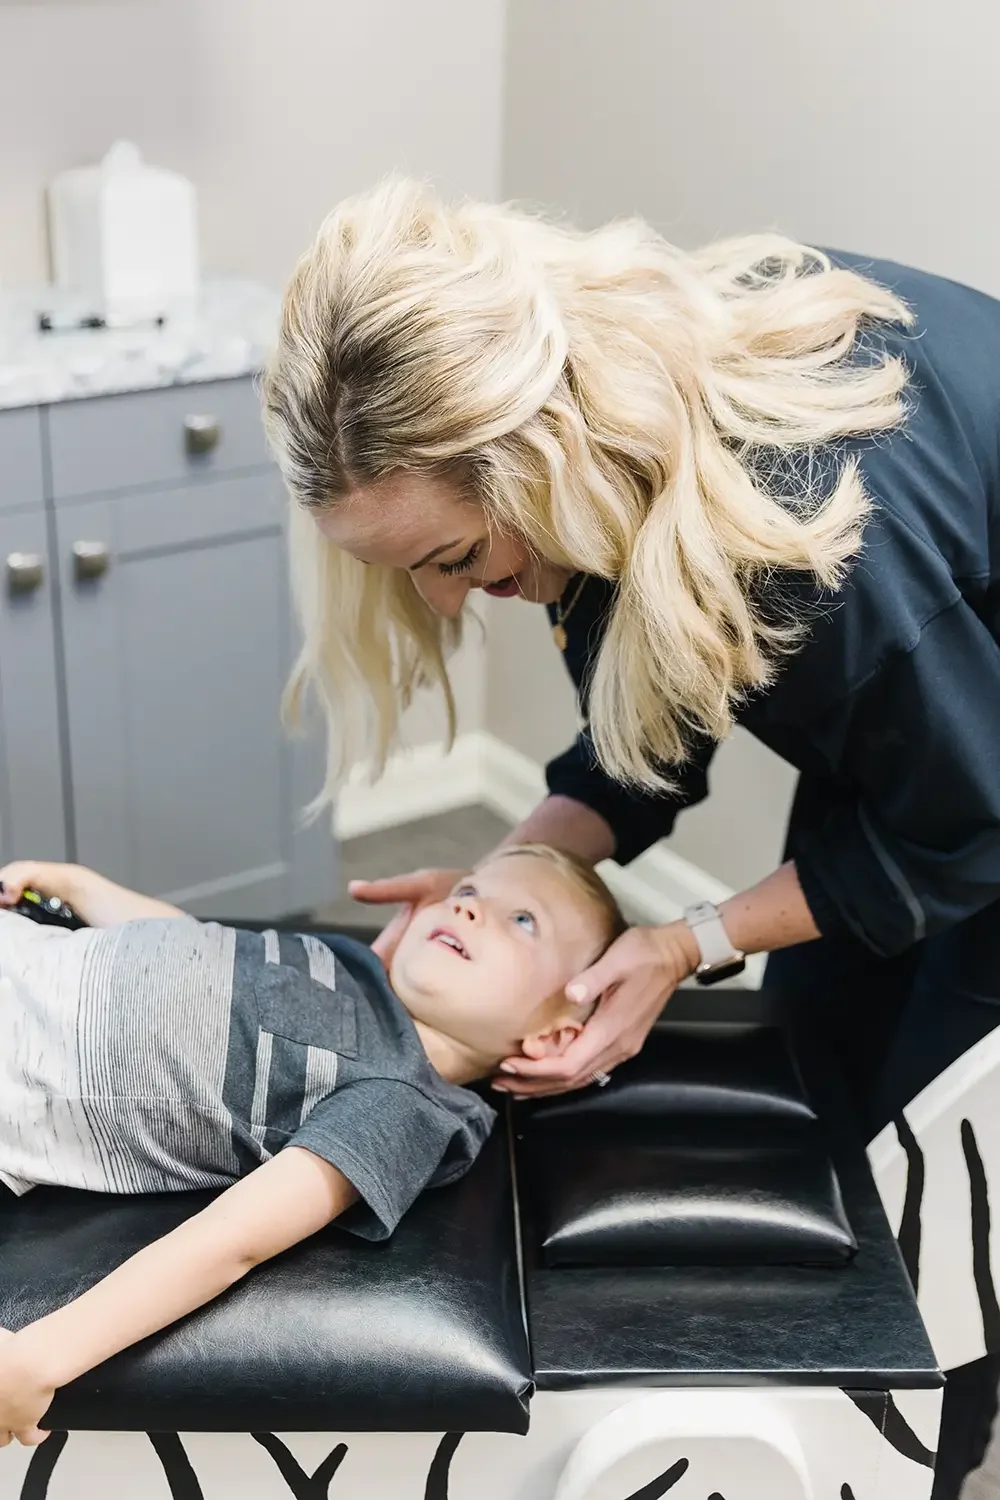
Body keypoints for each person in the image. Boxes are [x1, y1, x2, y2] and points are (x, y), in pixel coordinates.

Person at [261, 177, 1000, 1498]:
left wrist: (688, 941)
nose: (444, 598)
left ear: (537, 452)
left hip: (976, 779)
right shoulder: (622, 417)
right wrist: (521, 875)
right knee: (821, 1060)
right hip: (928, 731)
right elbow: (650, 704)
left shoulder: (816, 536)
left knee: (933, 1179)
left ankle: (916, 1447)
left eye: (455, 555)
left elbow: (964, 827)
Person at [0, 846, 622, 1447]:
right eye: (469, 890)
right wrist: (81, 886)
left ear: (552, 1036)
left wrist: (43, 1357)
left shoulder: (404, 1098)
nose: (468, 908)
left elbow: (234, 1237)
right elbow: (196, 943)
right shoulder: (352, 966)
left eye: (522, 920)